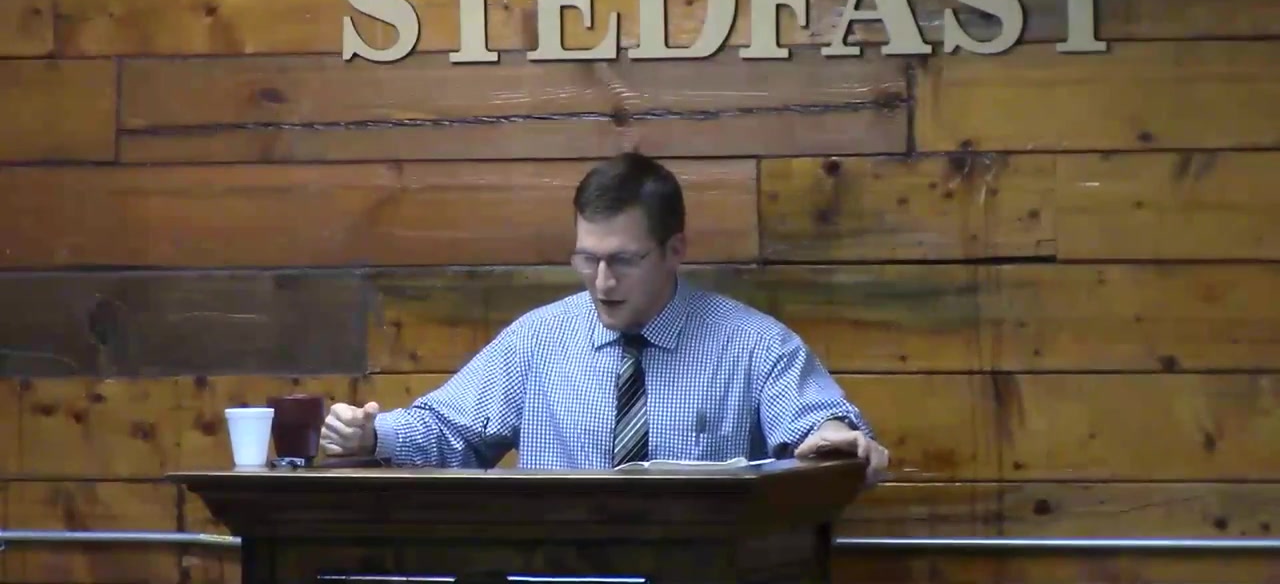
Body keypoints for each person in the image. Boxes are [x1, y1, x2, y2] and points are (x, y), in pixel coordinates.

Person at [320, 152, 889, 479]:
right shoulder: (539, 341)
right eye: (586, 259)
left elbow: (819, 429)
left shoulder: (753, 345)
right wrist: (371, 435)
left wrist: (837, 438)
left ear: (675, 250)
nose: (601, 282)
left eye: (623, 261)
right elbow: (451, 430)